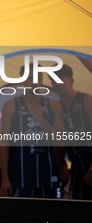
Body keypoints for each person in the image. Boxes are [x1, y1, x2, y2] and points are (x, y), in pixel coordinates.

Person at [0, 64, 65, 198]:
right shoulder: (11, 105)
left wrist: (41, 119)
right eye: (29, 78)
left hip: (48, 175)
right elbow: (4, 144)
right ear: (22, 80)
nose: (34, 82)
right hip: (20, 177)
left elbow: (61, 141)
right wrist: (4, 178)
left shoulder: (54, 105)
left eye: (38, 78)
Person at [49, 64, 92, 200]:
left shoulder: (86, 100)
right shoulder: (56, 109)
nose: (58, 84)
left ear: (71, 81)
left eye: (62, 79)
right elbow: (60, 144)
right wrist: (57, 169)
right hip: (77, 170)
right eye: (54, 81)